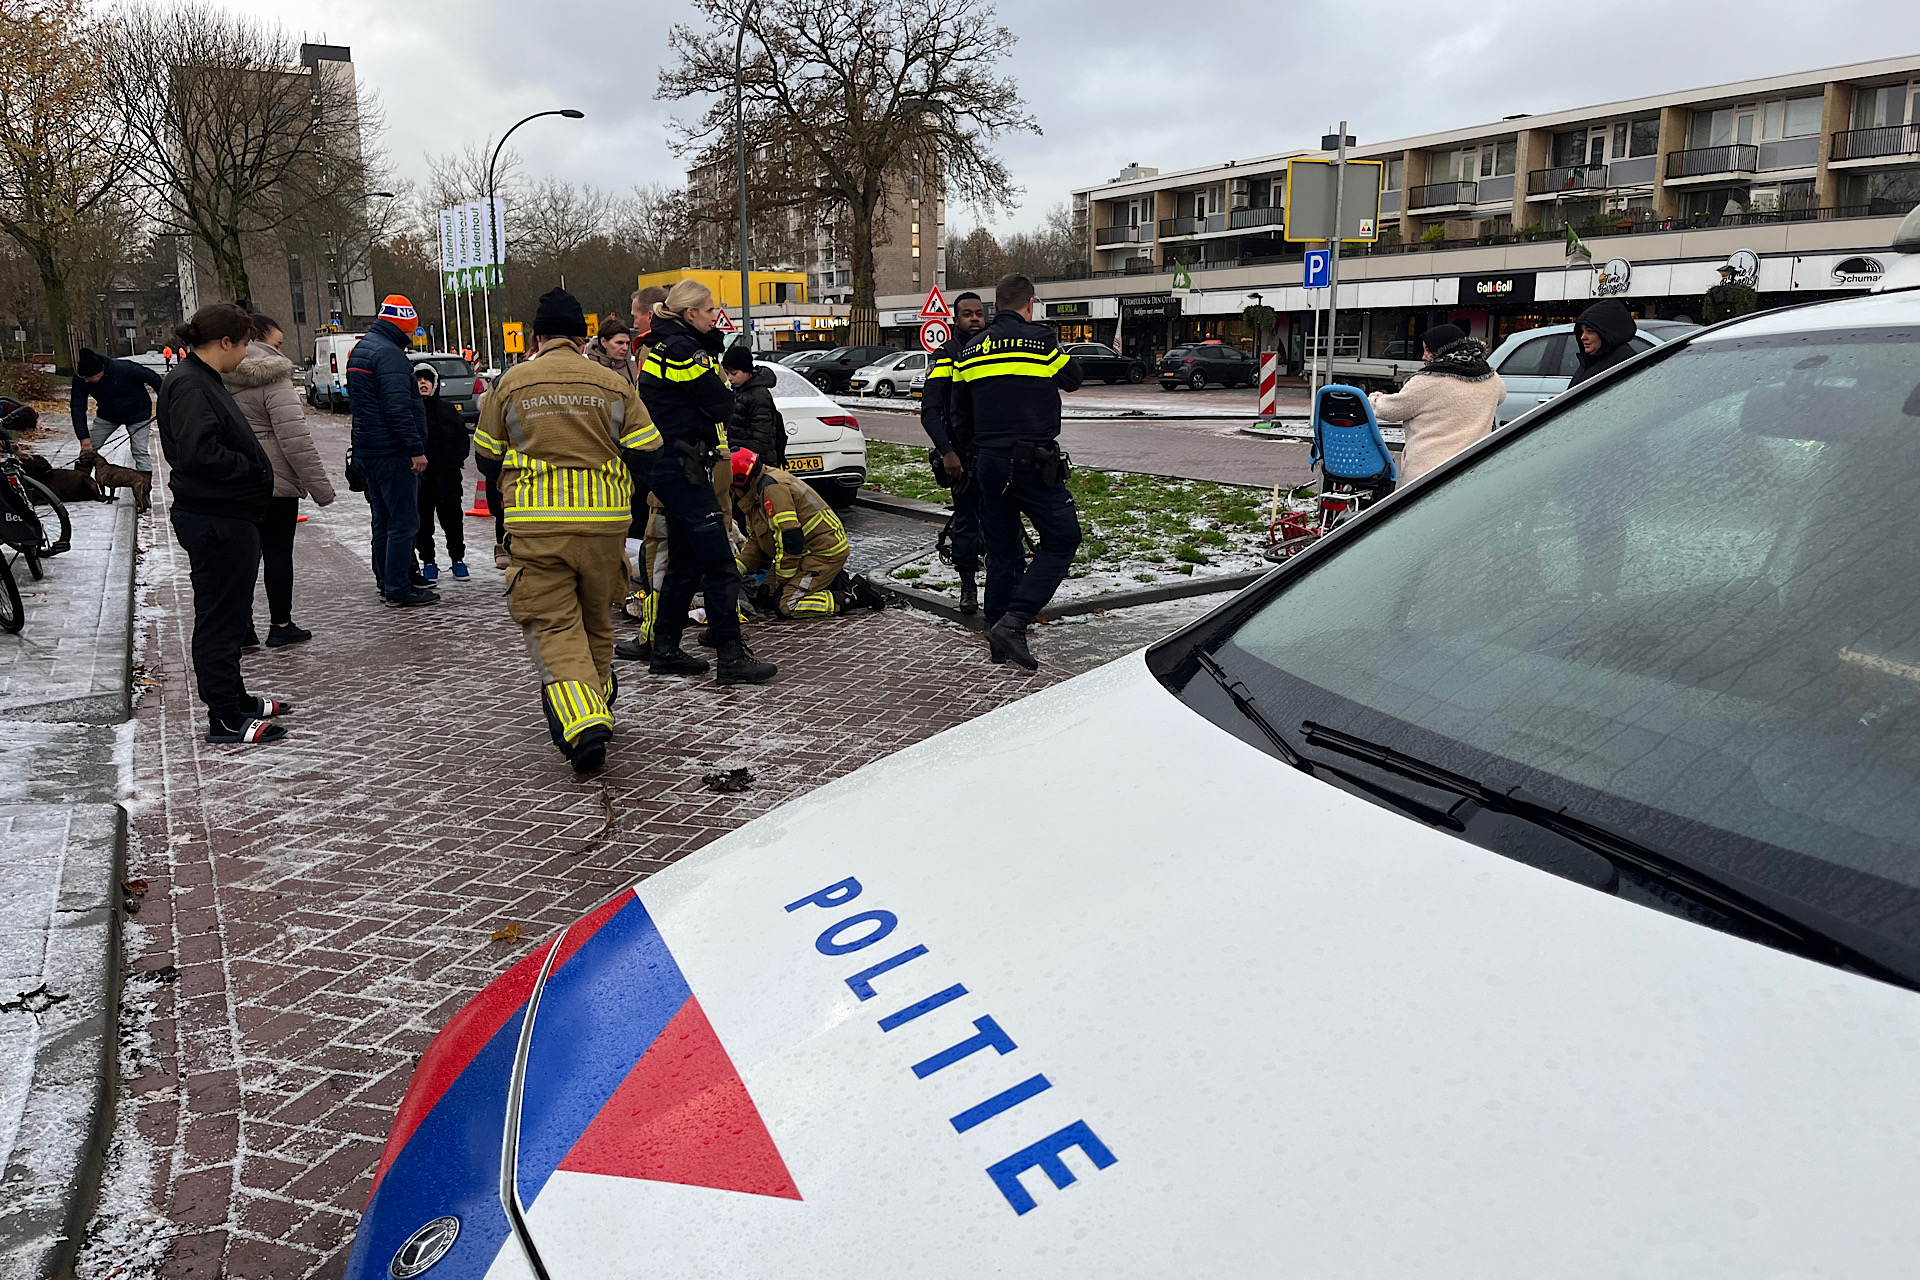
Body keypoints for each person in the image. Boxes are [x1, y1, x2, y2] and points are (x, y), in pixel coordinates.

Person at [472, 287, 661, 773]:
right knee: (596, 620)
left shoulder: (511, 382)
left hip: (538, 528)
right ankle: (596, 700)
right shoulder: (613, 383)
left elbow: (485, 455)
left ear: (536, 336)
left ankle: (582, 723)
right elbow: (648, 449)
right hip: (605, 525)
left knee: (554, 622)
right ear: (582, 337)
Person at [631, 279, 776, 685]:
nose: (715, 316)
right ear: (690, 313)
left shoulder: (664, 344)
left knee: (685, 562)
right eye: (710, 310)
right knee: (719, 562)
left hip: (675, 465)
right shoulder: (682, 349)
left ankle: (665, 648)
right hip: (683, 467)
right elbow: (720, 402)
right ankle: (730, 654)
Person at [156, 302, 288, 744]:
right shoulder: (191, 384)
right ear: (226, 342)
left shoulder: (200, 379)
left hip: (225, 515)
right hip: (216, 517)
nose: (248, 351)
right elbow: (198, 452)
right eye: (246, 342)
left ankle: (234, 696)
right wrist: (250, 469)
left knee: (230, 616)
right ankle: (226, 717)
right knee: (219, 617)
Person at [949, 273, 1083, 670]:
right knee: (1062, 537)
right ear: (1029, 304)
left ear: (994, 307)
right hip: (1032, 461)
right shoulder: (1041, 341)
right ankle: (1016, 620)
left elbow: (959, 414)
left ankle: (997, 635)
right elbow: (1072, 380)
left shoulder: (970, 349)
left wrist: (972, 455)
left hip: (988, 463)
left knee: (1002, 548)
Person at [223, 313, 335, 648]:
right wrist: (321, 490)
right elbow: (295, 438)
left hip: (236, 476)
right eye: (278, 343)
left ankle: (242, 628)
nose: (279, 351)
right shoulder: (274, 377)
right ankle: (281, 624)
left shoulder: (220, 374)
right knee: (276, 552)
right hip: (275, 480)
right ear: (259, 338)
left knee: (242, 557)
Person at [348, 295, 433, 606]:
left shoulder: (363, 349)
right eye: (411, 330)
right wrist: (414, 449)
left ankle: (386, 580)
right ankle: (398, 586)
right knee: (404, 521)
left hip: (368, 448)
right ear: (403, 326)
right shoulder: (391, 356)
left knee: (382, 519)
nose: (412, 336)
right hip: (392, 451)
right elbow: (398, 409)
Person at [730, 448, 883, 617]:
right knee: (766, 594)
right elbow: (756, 543)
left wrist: (783, 579)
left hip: (823, 552)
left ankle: (849, 596)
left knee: (787, 605)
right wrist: (732, 571)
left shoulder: (773, 490)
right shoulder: (756, 494)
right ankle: (830, 581)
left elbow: (790, 538)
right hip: (803, 554)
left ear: (741, 480)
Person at [1366, 324, 1506, 483]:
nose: (1423, 357)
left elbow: (1390, 410)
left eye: (1428, 350)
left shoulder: (1427, 382)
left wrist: (1374, 399)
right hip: (1472, 469)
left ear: (1442, 350)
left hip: (1428, 473)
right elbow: (1501, 396)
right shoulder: (1490, 378)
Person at [919, 290, 987, 615]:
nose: (974, 318)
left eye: (979, 313)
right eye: (967, 314)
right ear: (955, 319)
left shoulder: (994, 350)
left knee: (1004, 522)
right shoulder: (946, 354)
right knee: (966, 525)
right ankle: (968, 587)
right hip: (963, 456)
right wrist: (947, 451)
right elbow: (930, 411)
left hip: (996, 454)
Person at [412, 364, 470, 580]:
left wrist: (454, 462)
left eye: (427, 379)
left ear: (435, 384)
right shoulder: (409, 411)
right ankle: (428, 562)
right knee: (423, 525)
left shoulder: (447, 410)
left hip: (448, 479)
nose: (423, 383)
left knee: (453, 523)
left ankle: (458, 560)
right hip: (421, 480)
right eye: (419, 380)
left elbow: (462, 438)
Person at [71, 345, 163, 474]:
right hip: (108, 415)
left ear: (100, 371)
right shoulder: (81, 379)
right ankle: (80, 483)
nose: (86, 381)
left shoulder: (126, 368)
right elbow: (77, 407)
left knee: (140, 451)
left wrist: (164, 404)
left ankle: (144, 487)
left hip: (138, 413)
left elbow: (155, 379)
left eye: (90, 378)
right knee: (87, 451)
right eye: (84, 378)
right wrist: (83, 437)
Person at [721, 346, 785, 467]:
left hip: (754, 463)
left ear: (747, 371)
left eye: (734, 373)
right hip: (743, 459)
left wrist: (749, 463)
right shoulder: (739, 390)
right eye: (727, 373)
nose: (730, 378)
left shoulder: (758, 395)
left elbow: (762, 437)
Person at [1568, 299, 1638, 387]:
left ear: (1606, 333)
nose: (1583, 337)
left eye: (1589, 331)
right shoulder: (1591, 361)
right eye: (1582, 332)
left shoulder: (1622, 366)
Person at [583, 319, 637, 383]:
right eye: (619, 343)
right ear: (603, 342)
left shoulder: (634, 367)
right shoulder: (587, 367)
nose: (625, 348)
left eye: (627, 343)